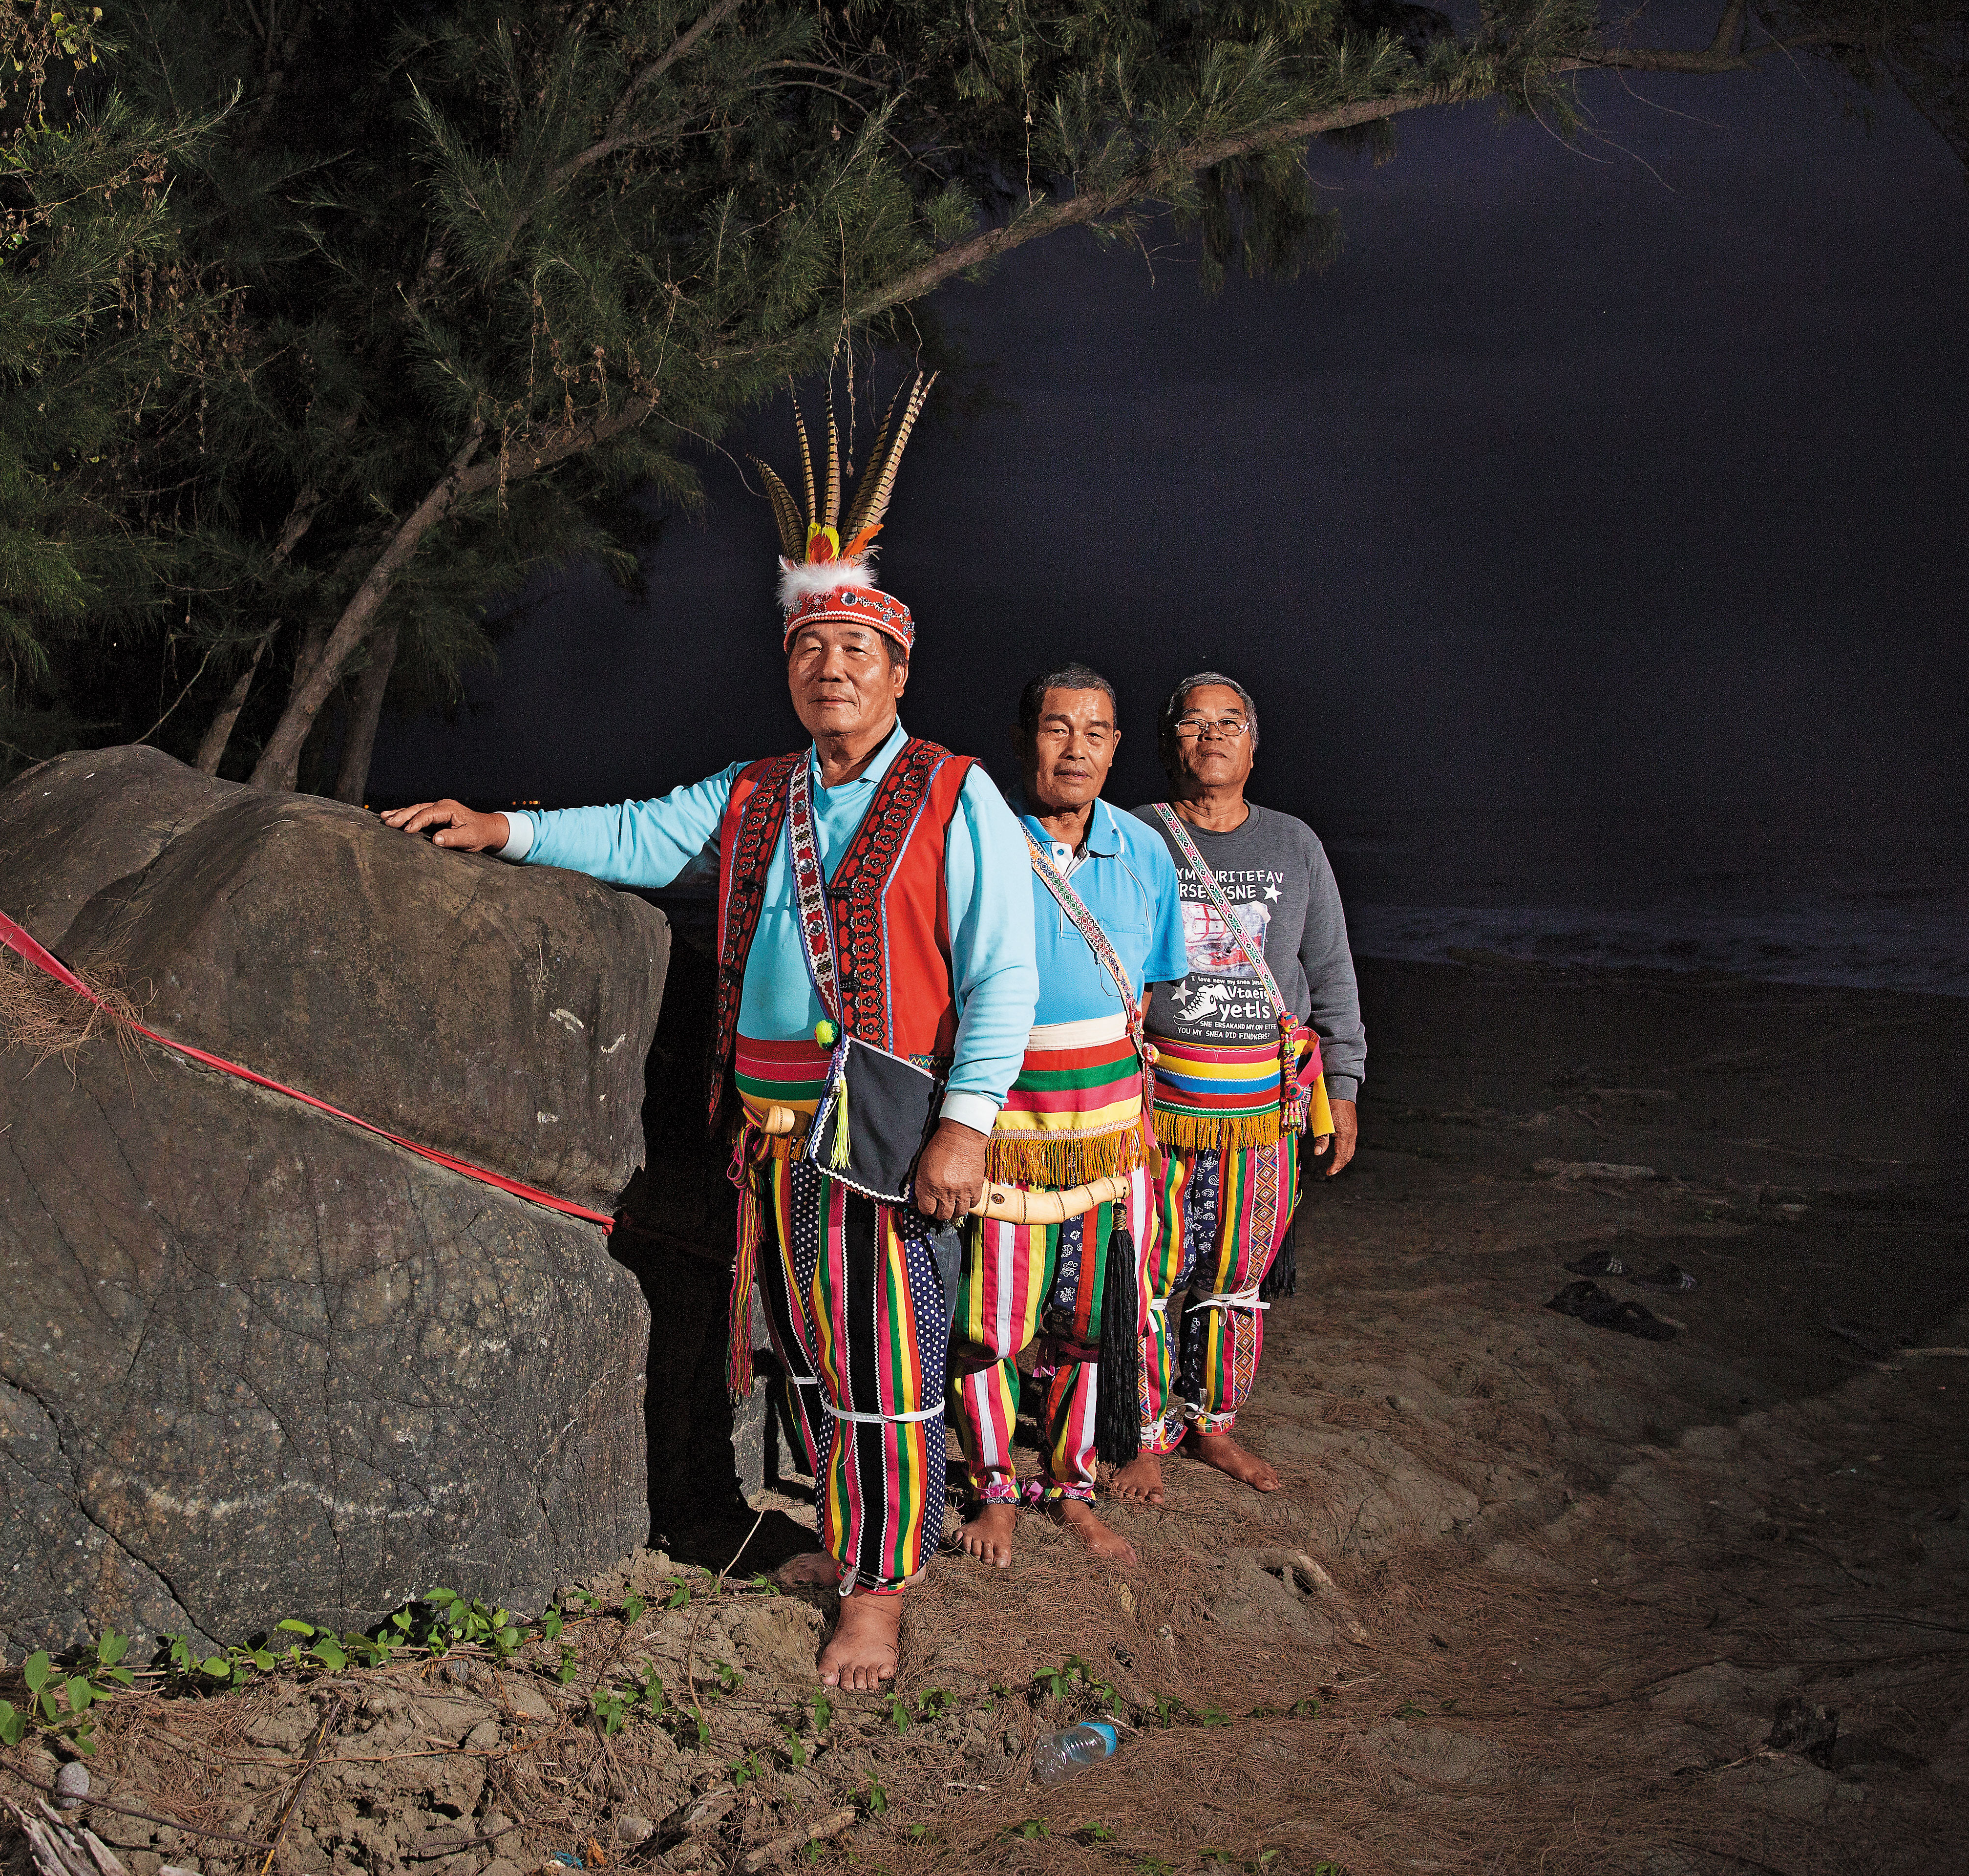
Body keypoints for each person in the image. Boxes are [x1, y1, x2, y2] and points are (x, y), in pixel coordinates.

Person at [382, 381, 1036, 1690]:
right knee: (809, 1347)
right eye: (809, 650)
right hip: (778, 1125)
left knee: (887, 1354)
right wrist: (505, 829)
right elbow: (634, 834)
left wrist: (968, 1125)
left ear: (899, 670)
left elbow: (1003, 972)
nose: (830, 669)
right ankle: (849, 1537)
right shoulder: (752, 794)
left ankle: (879, 1591)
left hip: (896, 1124)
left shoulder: (960, 794)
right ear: (787, 666)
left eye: (856, 652)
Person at [953, 665, 1188, 1569]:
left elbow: (1155, 987)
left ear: (1118, 747)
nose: (1077, 747)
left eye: (1096, 732)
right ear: (1024, 741)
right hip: (1007, 1128)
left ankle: (1075, 1484)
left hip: (1113, 1130)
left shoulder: (1145, 852)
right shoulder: (979, 842)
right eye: (1057, 729)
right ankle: (993, 1489)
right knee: (993, 1317)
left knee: (1100, 1314)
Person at [1139, 672, 1364, 1494]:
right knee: (1150, 1269)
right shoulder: (1138, 834)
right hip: (1155, 1104)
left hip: (1266, 1107)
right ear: (1172, 743)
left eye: (1229, 722)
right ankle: (1146, 1429)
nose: (1212, 736)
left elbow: (1331, 972)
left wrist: (1344, 1087)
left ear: (1254, 742)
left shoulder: (1295, 844)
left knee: (1237, 1274)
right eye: (1193, 724)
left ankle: (1216, 1425)